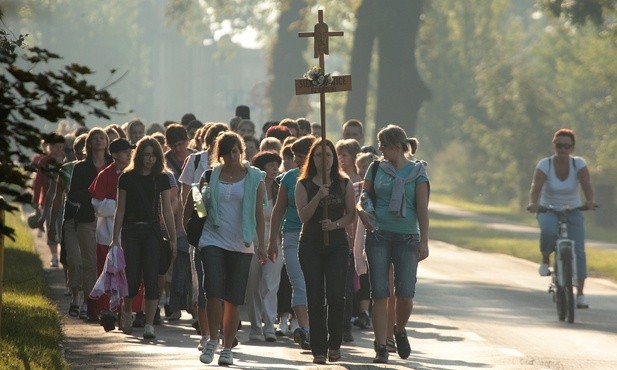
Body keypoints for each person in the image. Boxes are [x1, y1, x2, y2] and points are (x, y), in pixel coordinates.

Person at [190, 132, 266, 366]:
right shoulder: (211, 175)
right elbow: (198, 205)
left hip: (241, 243)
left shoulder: (254, 177)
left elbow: (259, 214)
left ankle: (227, 347)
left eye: (237, 151)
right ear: (220, 154)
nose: (233, 156)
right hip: (212, 238)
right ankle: (212, 338)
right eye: (228, 152)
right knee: (213, 290)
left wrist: (261, 244)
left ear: (241, 152)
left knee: (233, 298)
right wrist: (200, 201)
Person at [357, 124, 429, 363]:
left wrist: (425, 241)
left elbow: (422, 209)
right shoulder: (376, 168)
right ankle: (380, 347)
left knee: (405, 293)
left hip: (407, 237)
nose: (380, 150)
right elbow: (364, 197)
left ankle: (398, 330)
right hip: (378, 234)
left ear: (397, 147)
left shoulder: (418, 172)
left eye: (383, 146)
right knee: (380, 292)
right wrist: (361, 210)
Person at [295, 139, 356, 364]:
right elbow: (303, 216)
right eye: (319, 155)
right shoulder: (304, 184)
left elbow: (351, 214)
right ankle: (318, 347)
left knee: (336, 294)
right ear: (313, 159)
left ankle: (334, 344)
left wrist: (336, 224)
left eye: (328, 155)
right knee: (315, 296)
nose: (324, 159)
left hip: (337, 245)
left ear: (334, 159)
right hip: (310, 244)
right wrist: (318, 197)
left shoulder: (344, 183)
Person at [111, 136, 177, 340]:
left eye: (154, 155)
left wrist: (173, 238)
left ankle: (149, 324)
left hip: (153, 233)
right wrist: (115, 239)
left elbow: (167, 210)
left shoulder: (162, 178)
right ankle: (127, 312)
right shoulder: (126, 177)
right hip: (131, 231)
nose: (150, 159)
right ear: (139, 155)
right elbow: (120, 210)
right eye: (146, 155)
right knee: (131, 278)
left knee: (151, 277)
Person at [527, 128, 595, 309]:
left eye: (567, 146)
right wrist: (533, 203)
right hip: (548, 209)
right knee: (548, 232)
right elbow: (536, 186)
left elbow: (586, 183)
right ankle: (545, 259)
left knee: (579, 250)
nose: (562, 149)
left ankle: (580, 294)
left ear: (572, 148)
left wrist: (589, 201)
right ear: (554, 145)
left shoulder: (578, 164)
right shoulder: (545, 164)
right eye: (559, 145)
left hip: (573, 210)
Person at [267, 135, 316, 350]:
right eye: (295, 156)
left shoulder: (323, 177)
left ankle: (316, 329)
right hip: (292, 234)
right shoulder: (288, 178)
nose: (297, 161)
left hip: (315, 235)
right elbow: (278, 210)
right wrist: (271, 241)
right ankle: (305, 330)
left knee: (315, 283)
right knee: (298, 282)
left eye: (302, 157)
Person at [67, 128, 113, 321]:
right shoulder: (80, 168)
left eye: (102, 138)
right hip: (87, 218)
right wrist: (92, 195)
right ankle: (90, 304)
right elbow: (73, 194)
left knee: (107, 262)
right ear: (89, 143)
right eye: (95, 138)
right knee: (89, 263)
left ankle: (108, 305)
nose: (99, 141)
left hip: (110, 219)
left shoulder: (113, 164)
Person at [88, 138, 134, 324]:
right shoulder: (105, 175)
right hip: (107, 235)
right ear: (114, 155)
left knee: (131, 274)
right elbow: (97, 206)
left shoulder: (134, 173)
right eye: (124, 151)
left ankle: (129, 312)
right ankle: (106, 312)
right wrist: (121, 205)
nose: (129, 154)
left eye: (129, 151)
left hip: (130, 234)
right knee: (106, 273)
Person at [246, 151, 284, 342]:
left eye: (277, 164)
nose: (275, 168)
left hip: (275, 242)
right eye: (270, 164)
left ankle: (270, 326)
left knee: (270, 285)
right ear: (261, 168)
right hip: (252, 242)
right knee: (253, 286)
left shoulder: (280, 189)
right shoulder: (252, 189)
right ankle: (255, 327)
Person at [335, 138, 363, 343]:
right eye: (339, 155)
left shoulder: (361, 181)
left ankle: (348, 323)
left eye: (344, 155)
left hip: (357, 237)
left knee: (351, 285)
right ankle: (340, 324)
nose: (341, 159)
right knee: (341, 283)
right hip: (341, 235)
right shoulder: (337, 180)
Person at [32, 132, 66, 267]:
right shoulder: (44, 162)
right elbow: (38, 182)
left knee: (63, 230)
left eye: (61, 146)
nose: (59, 149)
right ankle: (53, 256)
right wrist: (35, 201)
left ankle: (64, 255)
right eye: (56, 146)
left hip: (64, 201)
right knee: (51, 228)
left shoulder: (67, 160)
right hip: (48, 201)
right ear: (49, 148)